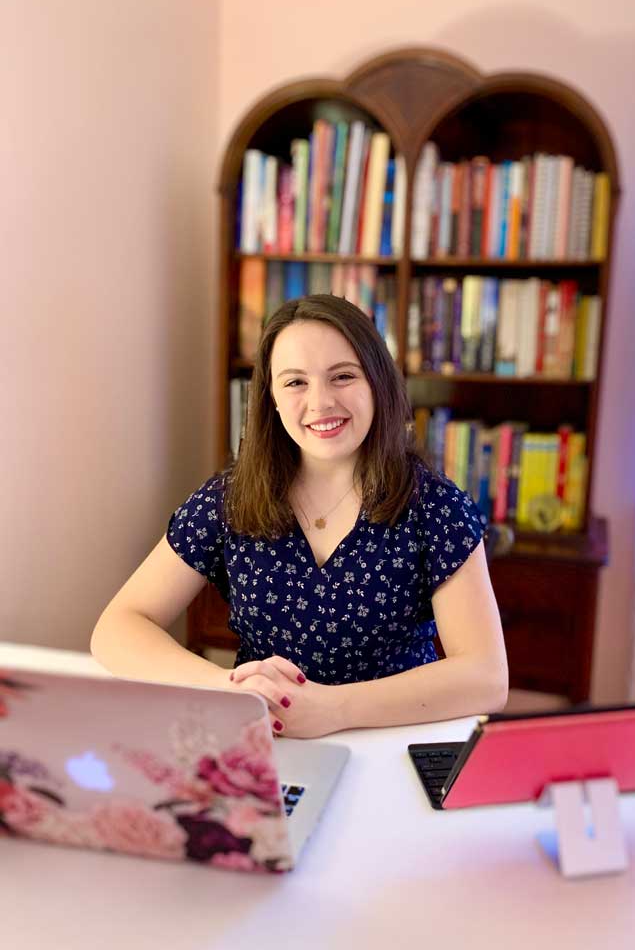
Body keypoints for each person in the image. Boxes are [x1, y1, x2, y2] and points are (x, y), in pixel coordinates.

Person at [91, 294, 508, 738]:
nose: (321, 402)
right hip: (269, 743)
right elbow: (117, 628)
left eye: (342, 376)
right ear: (270, 396)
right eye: (295, 383)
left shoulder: (434, 507)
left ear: (377, 384)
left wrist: (335, 709)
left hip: (394, 744)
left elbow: (485, 677)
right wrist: (227, 689)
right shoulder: (230, 498)